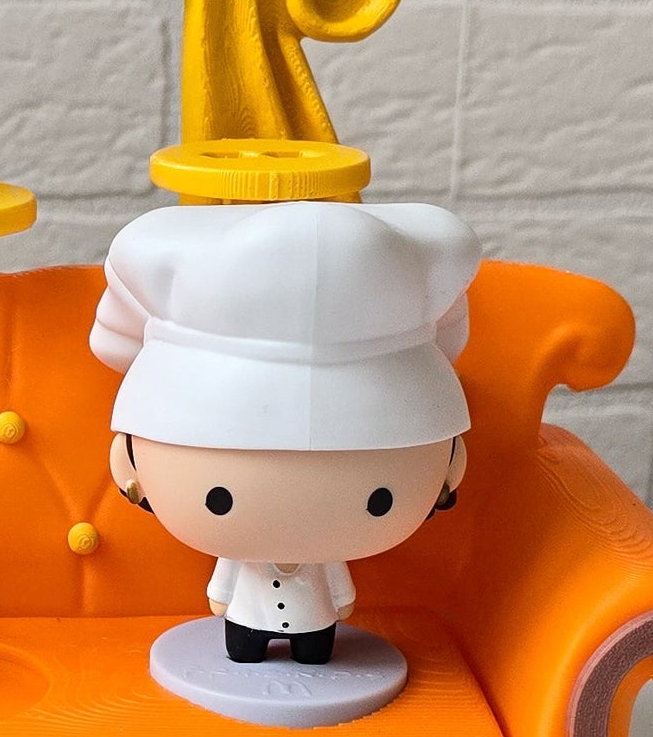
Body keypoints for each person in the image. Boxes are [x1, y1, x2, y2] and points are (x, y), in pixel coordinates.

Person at [90, 198, 480, 667]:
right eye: (220, 499)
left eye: (378, 500)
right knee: (248, 646)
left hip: (312, 618)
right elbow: (230, 587)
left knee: (310, 651)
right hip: (257, 614)